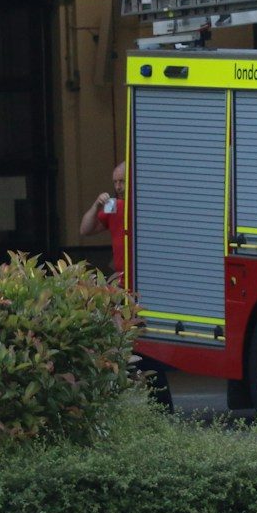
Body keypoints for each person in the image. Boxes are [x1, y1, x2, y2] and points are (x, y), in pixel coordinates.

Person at [80, 161, 173, 410]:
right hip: (122, 286)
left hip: (146, 284)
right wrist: (96, 204)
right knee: (127, 344)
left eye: (122, 181)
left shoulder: (148, 205)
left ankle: (161, 403)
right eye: (115, 183)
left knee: (144, 345)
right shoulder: (114, 205)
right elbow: (85, 229)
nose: (118, 187)